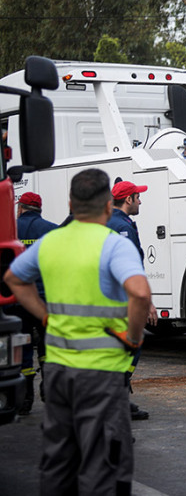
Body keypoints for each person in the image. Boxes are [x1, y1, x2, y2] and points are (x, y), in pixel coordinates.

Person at [4, 168, 152, 495]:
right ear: (107, 206)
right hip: (102, 372)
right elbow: (140, 294)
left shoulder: (51, 242)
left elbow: (14, 279)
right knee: (103, 464)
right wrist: (133, 337)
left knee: (59, 460)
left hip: (58, 371)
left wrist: (45, 316)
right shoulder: (114, 245)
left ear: (71, 203)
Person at [107, 179, 157, 421]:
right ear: (128, 199)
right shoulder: (122, 227)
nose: (140, 201)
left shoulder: (108, 221)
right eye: (138, 197)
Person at [8, 192, 58, 414]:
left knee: (23, 348)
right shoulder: (52, 231)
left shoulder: (10, 231)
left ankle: (25, 399)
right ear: (40, 209)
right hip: (45, 301)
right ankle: (49, 390)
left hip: (18, 302)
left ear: (20, 208)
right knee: (49, 348)